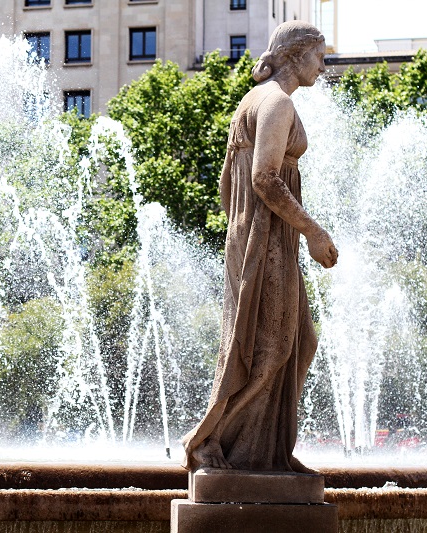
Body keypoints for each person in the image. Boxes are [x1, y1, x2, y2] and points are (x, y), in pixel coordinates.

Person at [181, 21, 338, 473]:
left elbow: (226, 183)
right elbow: (264, 178)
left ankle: (270, 452)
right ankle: (208, 442)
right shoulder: (276, 102)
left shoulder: (257, 100)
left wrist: (241, 223)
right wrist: (313, 231)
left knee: (299, 341)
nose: (323, 66)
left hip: (262, 237)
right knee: (270, 349)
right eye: (319, 56)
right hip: (264, 240)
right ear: (294, 55)